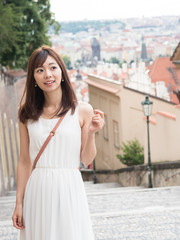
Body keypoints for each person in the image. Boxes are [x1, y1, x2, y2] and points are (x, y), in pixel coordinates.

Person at [12, 45, 104, 240]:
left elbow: (86, 158)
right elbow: (24, 161)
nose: (48, 74)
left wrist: (92, 132)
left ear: (62, 71)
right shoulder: (26, 113)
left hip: (69, 188)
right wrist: (19, 203)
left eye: (53, 67)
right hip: (38, 190)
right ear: (33, 78)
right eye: (40, 70)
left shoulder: (83, 110)